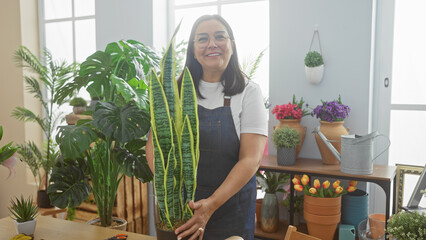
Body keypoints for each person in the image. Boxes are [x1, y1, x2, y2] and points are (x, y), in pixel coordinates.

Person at [147, 14, 267, 240]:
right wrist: (171, 194)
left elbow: (251, 159)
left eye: (220, 37)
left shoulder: (248, 92)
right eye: (202, 39)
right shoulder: (175, 92)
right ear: (193, 50)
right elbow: (155, 148)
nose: (212, 43)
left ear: (231, 44)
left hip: (230, 211)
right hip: (183, 212)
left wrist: (210, 206)